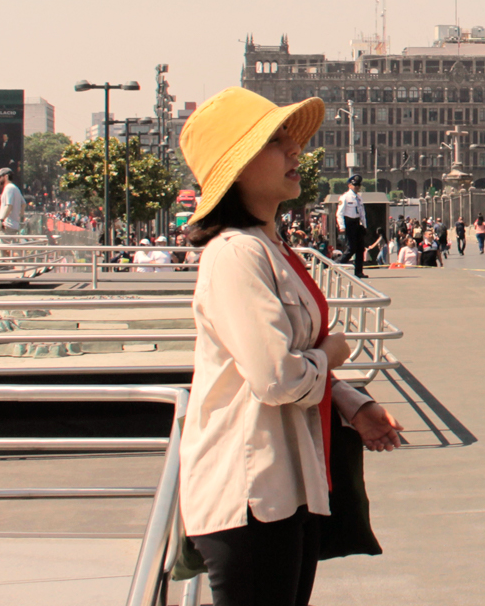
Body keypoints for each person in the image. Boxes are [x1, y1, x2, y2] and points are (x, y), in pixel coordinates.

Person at [178, 87, 404, 606]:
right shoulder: (236, 255)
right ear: (236, 169)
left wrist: (351, 402)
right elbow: (278, 377)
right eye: (275, 142)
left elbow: (286, 354)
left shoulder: (271, 248)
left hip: (289, 486)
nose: (294, 152)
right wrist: (333, 356)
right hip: (251, 493)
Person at [338, 175, 368, 278]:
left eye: (358, 185)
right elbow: (340, 213)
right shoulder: (345, 197)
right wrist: (342, 226)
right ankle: (337, 264)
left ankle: (359, 272)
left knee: (360, 249)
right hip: (349, 223)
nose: (357, 187)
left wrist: (364, 225)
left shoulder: (359, 198)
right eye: (355, 185)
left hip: (358, 223)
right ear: (349, 185)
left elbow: (362, 213)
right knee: (351, 248)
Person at [0, 167, 26, 235]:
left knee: (3, 245)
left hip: (8, 225)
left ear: (6, 176)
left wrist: (1, 220)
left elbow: (9, 206)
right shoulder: (15, 188)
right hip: (14, 225)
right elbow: (23, 204)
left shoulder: (9, 188)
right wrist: (20, 218)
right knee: (9, 244)